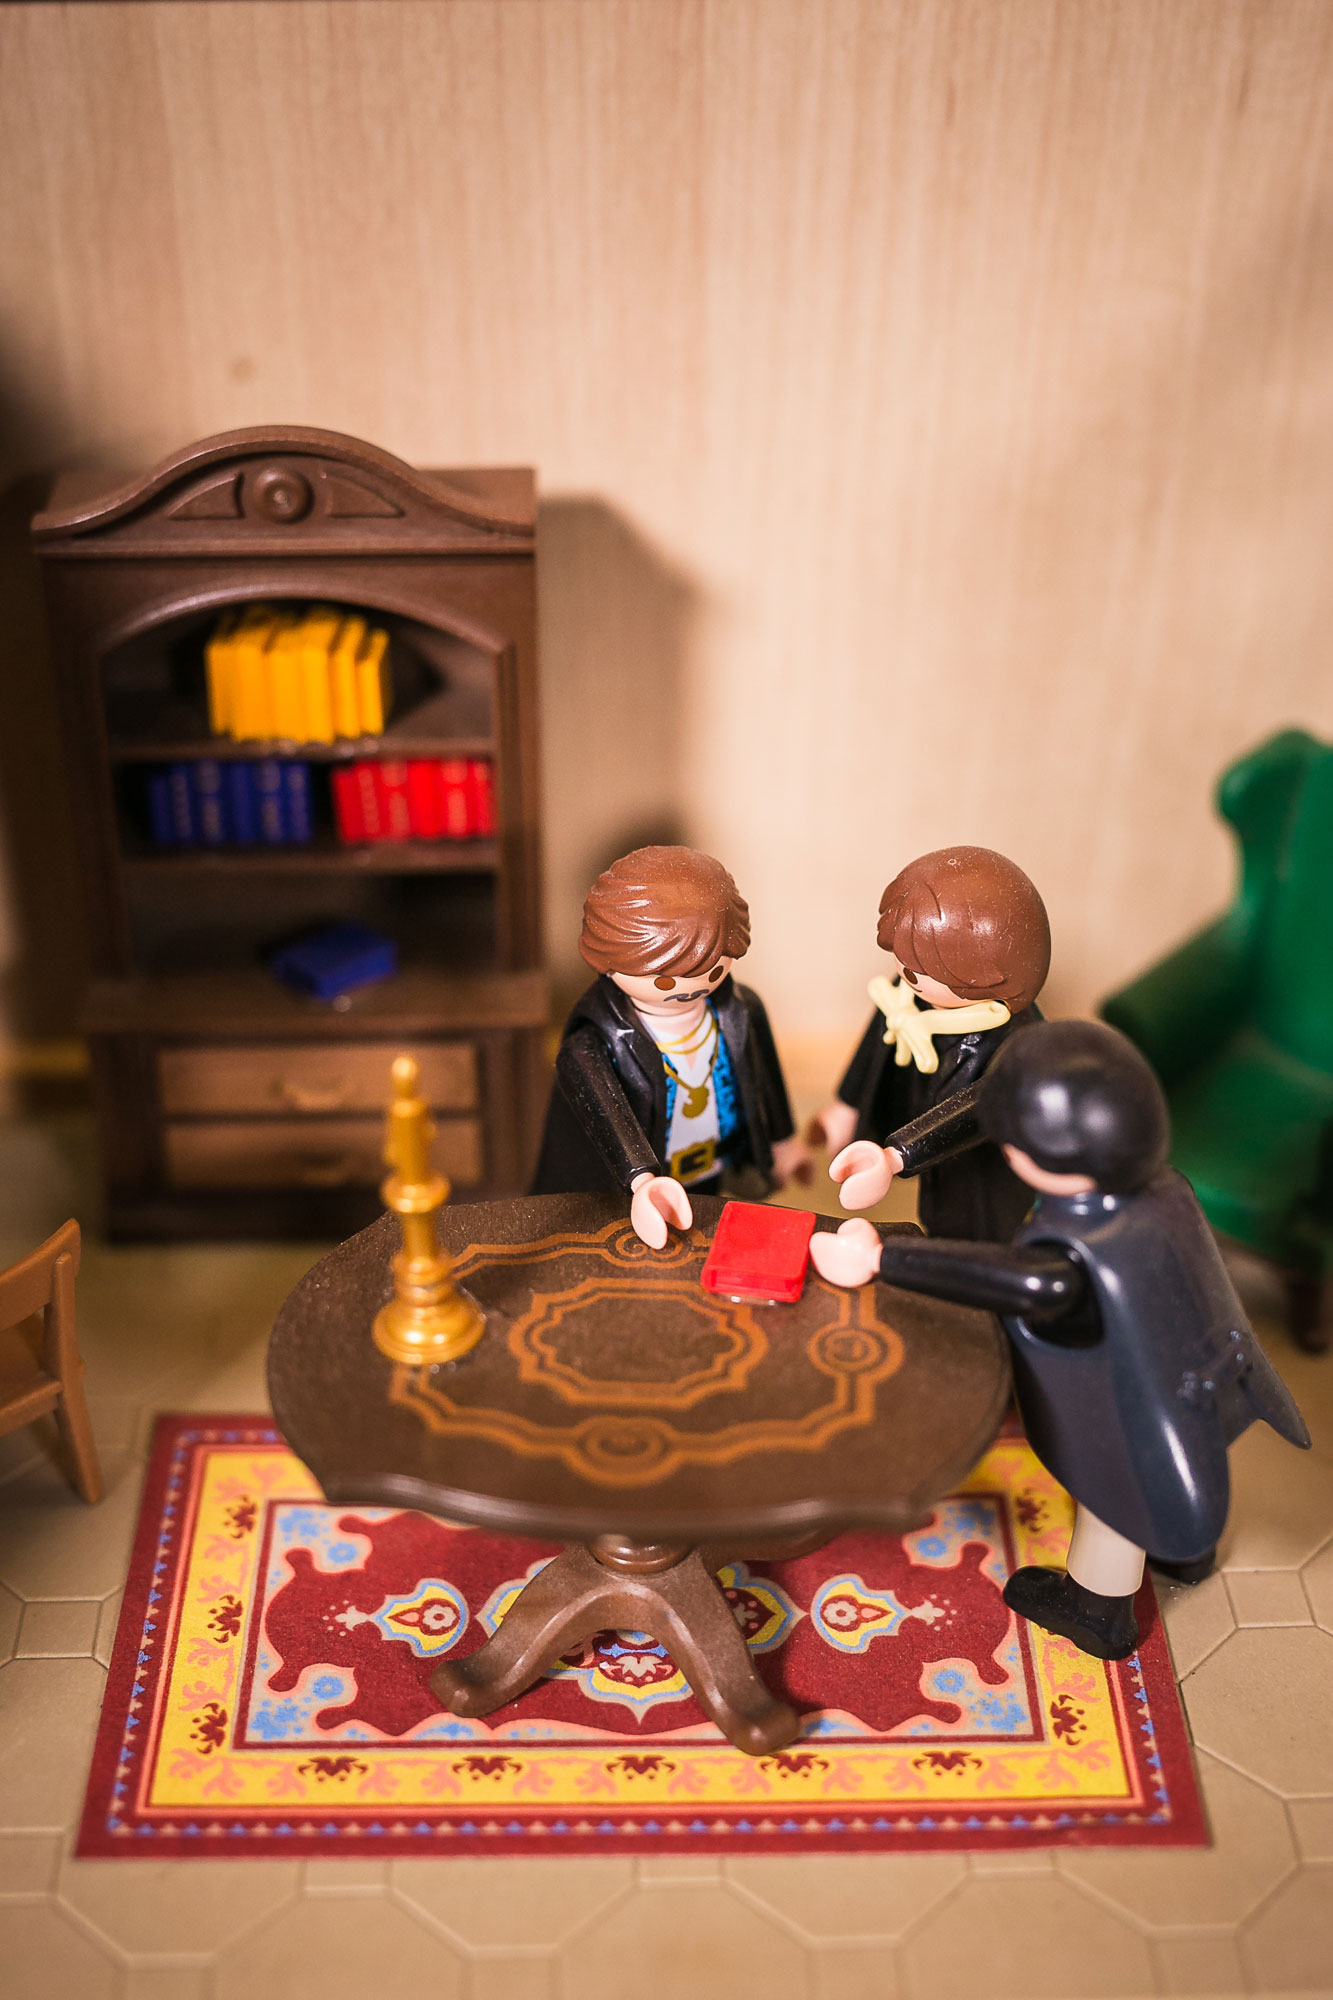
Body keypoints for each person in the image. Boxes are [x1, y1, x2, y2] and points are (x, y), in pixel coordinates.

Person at [809, 1019, 1311, 1660]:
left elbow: (1013, 1279)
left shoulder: (1068, 1254)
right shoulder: (1166, 1187)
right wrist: (898, 1156)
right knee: (1182, 1466)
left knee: (1117, 1500)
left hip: (1129, 1406)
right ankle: (1188, 1553)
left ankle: (1097, 1610)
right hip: (1201, 1369)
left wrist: (880, 1258)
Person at [531, 846, 811, 1247]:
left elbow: (767, 1078)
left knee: (707, 1234)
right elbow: (609, 1119)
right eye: (665, 980)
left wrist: (782, 1141)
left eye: (712, 970)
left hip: (713, 1161)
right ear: (607, 960)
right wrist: (642, 1179)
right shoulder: (592, 1045)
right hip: (637, 1187)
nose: (690, 987)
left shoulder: (741, 1010)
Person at [810, 847, 1050, 1242]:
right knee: (935, 1211)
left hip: (981, 1164)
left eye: (917, 972)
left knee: (968, 1227)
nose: (904, 975)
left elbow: (976, 1108)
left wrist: (896, 1156)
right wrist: (847, 1106)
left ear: (981, 976)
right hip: (915, 1115)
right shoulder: (906, 996)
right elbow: (874, 1051)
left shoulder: (1018, 1045)